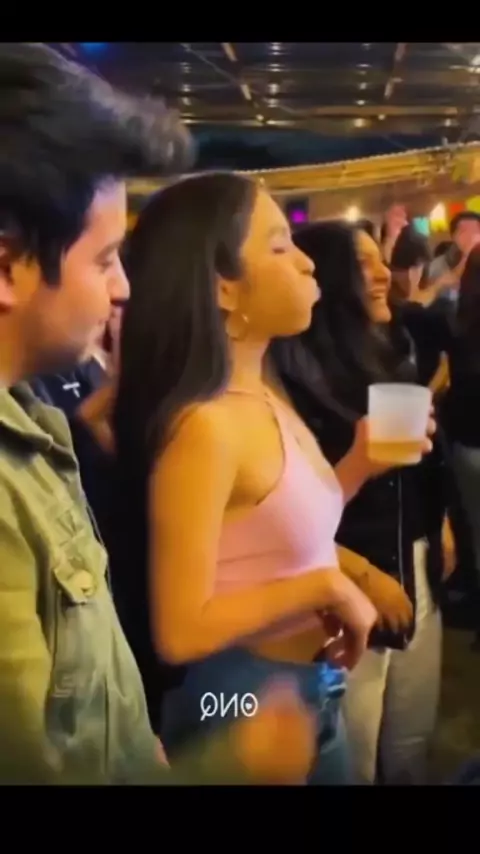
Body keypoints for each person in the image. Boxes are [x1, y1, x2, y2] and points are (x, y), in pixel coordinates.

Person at [0, 42, 318, 786]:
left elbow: (81, 707)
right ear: (7, 267)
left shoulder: (31, 427)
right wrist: (231, 763)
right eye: (104, 258)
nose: (122, 289)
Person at [79, 172, 386, 785]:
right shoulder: (206, 426)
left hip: (309, 684)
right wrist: (322, 587)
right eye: (279, 245)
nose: (306, 263)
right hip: (237, 700)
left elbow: (272, 535)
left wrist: (358, 466)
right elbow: (180, 629)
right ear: (223, 286)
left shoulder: (263, 392)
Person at [270, 221, 450, 785]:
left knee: (411, 733)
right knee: (356, 747)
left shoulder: (395, 347)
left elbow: (419, 467)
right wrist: (364, 575)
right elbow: (279, 511)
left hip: (416, 559)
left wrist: (439, 527)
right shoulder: (289, 375)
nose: (382, 274)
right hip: (342, 582)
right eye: (363, 263)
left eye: (382, 259)